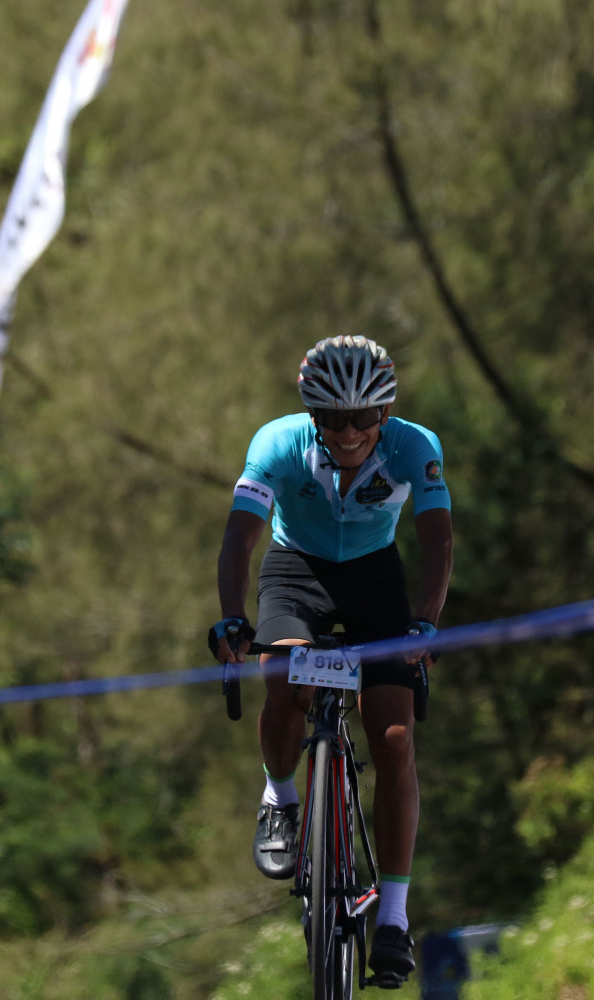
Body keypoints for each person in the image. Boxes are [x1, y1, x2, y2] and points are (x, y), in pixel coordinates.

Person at [208, 335, 453, 987]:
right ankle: (280, 798)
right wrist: (232, 615)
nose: (348, 433)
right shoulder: (277, 443)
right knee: (284, 678)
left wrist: (426, 623)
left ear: (385, 412)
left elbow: (437, 539)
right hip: (297, 573)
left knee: (395, 739)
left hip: (376, 581)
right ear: (312, 414)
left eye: (363, 417)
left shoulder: (414, 446)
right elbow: (241, 535)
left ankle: (394, 917)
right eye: (333, 418)